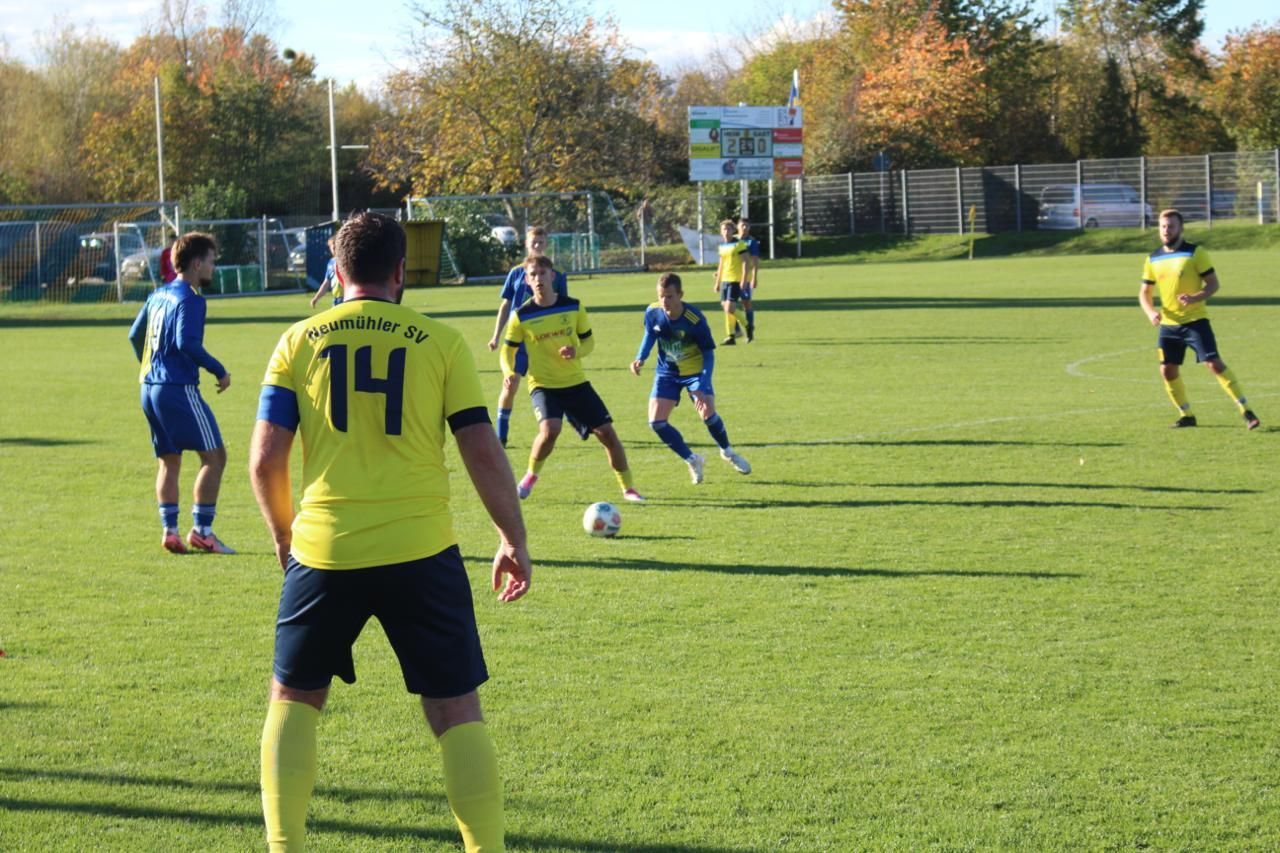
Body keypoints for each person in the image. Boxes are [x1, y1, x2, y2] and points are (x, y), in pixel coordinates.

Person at [250, 212, 531, 853]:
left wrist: (284, 538)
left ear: (336, 271)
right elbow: (481, 448)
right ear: (401, 271)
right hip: (422, 550)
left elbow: (265, 460)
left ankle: (284, 847)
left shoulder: (298, 341)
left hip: (324, 551)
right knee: (456, 708)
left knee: (293, 699)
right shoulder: (441, 342)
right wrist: (512, 537)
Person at [501, 254, 644, 503]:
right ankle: (530, 477)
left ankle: (628, 488)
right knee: (550, 430)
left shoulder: (574, 306)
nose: (538, 279)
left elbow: (589, 342)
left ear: (552, 275)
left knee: (607, 434)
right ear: (526, 280)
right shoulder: (521, 315)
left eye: (542, 273)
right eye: (533, 275)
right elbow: (507, 350)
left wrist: (576, 351)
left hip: (576, 383)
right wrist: (509, 372)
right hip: (543, 385)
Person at [127, 231, 235, 555]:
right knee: (215, 457)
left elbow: (135, 335)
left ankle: (170, 531)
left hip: (149, 388)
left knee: (169, 460)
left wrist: (151, 367)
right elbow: (186, 343)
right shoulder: (191, 299)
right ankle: (203, 531)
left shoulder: (158, 294)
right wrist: (219, 370)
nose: (214, 267)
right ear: (197, 263)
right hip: (176, 388)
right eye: (212, 261)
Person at [1139, 208, 1260, 430]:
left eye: (1171, 226)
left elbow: (1213, 284)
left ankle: (1246, 411)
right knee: (1167, 370)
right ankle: (1186, 415)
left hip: (1195, 322)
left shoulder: (1195, 253)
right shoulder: (1153, 258)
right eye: (1163, 226)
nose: (1166, 230)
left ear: (1181, 228)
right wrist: (1150, 312)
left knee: (1213, 364)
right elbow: (1144, 293)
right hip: (1168, 326)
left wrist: (1196, 297)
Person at [631, 272, 751, 483]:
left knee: (708, 414)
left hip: (695, 373)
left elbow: (708, 354)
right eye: (661, 296)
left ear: (681, 295)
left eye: (669, 296)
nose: (664, 301)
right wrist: (640, 357)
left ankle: (728, 452)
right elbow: (650, 334)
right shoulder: (652, 312)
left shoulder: (694, 319)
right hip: (667, 373)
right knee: (656, 422)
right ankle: (692, 459)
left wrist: (702, 386)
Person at [486, 226, 568, 446]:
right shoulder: (516, 273)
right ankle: (501, 435)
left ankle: (574, 420)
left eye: (541, 242)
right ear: (527, 244)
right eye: (534, 242)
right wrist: (496, 335)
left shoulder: (558, 274)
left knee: (558, 383)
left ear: (546, 243)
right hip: (519, 340)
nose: (538, 246)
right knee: (510, 384)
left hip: (546, 339)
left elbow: (564, 308)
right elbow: (506, 305)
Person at [712, 219, 750, 345]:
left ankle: (747, 325)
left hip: (735, 279)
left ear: (733, 230)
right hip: (725, 279)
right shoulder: (722, 246)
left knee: (729, 307)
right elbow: (721, 265)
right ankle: (731, 336)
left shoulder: (739, 244)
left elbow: (745, 262)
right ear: (721, 231)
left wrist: (744, 279)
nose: (726, 231)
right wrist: (717, 282)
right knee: (726, 308)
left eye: (729, 229)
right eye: (724, 229)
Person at [736, 217, 761, 341]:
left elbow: (755, 262)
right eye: (742, 225)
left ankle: (749, 329)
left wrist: (754, 278)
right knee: (729, 304)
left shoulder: (751, 242)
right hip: (732, 277)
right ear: (737, 227)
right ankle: (736, 330)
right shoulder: (732, 240)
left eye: (747, 226)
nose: (744, 228)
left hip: (746, 278)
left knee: (746, 303)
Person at [308, 237, 342, 308]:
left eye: (336, 246)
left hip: (347, 298)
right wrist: (316, 298)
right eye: (332, 246)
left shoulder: (347, 261)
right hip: (336, 299)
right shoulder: (331, 263)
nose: (334, 248)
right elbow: (326, 283)